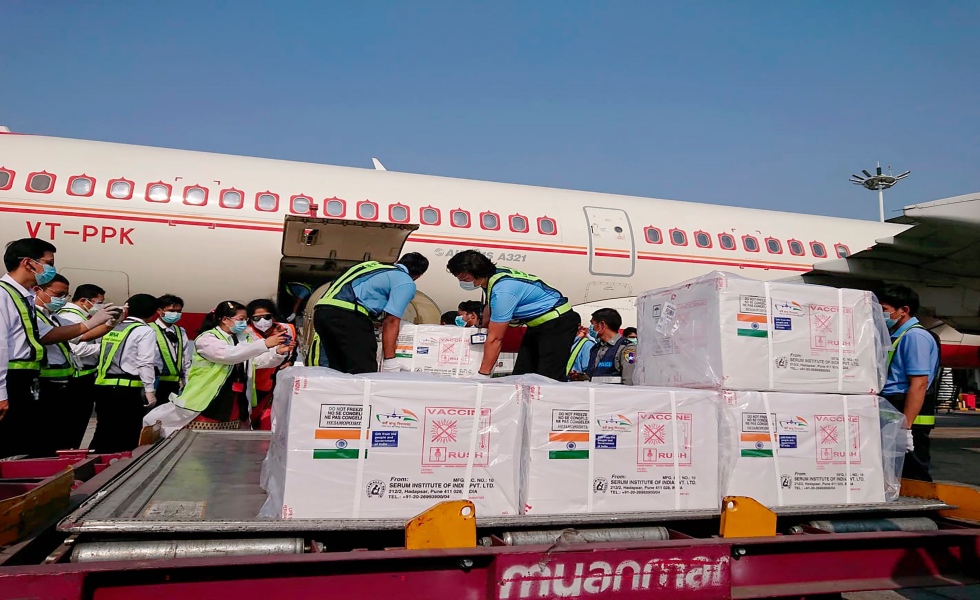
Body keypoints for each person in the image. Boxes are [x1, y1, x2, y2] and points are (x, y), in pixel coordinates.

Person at [0, 239, 120, 458]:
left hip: (26, 379)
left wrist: (94, 323)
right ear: (28, 263)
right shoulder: (3, 295)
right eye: (49, 262)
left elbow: (46, 334)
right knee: (10, 445)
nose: (51, 269)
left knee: (26, 445)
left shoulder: (22, 297)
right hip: (11, 378)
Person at [447, 250, 577, 381]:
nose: (462, 282)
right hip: (537, 324)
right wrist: (479, 327)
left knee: (547, 378)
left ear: (479, 273)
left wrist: (482, 375)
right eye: (459, 278)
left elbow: (495, 338)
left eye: (465, 279)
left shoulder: (503, 291)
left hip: (557, 323)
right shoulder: (491, 277)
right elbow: (489, 306)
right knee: (522, 376)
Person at [173, 301, 290, 430]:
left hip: (236, 399)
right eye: (240, 319)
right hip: (210, 398)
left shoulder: (243, 338)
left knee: (230, 440)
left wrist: (277, 353)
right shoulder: (207, 339)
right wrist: (264, 344)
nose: (244, 323)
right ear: (225, 319)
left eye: (246, 319)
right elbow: (230, 356)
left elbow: (256, 360)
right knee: (205, 440)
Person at [312, 253, 429, 374]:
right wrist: (390, 360)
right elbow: (391, 321)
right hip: (347, 315)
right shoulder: (405, 281)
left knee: (338, 369)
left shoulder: (370, 266)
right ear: (419, 276)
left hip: (322, 312)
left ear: (398, 261)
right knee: (364, 370)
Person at [878, 284, 941, 482]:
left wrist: (906, 427)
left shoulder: (915, 337)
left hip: (909, 412)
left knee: (914, 471)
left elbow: (919, 384)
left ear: (904, 310)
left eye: (884, 311)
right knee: (896, 471)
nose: (881, 316)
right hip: (895, 408)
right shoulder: (896, 336)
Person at [91, 293, 163, 453]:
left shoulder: (112, 327)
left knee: (103, 430)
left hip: (102, 386)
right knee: (126, 434)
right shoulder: (145, 331)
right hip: (127, 390)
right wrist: (150, 390)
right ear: (153, 314)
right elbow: (145, 362)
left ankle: (94, 465)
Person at [57, 283, 112, 448]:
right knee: (73, 423)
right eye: (99, 303)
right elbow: (78, 349)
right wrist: (106, 349)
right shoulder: (71, 318)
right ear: (83, 300)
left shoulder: (78, 316)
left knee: (76, 424)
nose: (100, 307)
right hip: (78, 378)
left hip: (83, 376)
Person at [246, 299, 296, 430]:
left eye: (267, 317)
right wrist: (277, 352)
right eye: (256, 318)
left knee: (270, 422)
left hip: (278, 383)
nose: (262, 321)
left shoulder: (287, 329)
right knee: (251, 419)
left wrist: (290, 361)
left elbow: (294, 349)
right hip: (256, 385)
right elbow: (253, 361)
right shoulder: (246, 334)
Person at [151, 294, 192, 408]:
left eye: (179, 311)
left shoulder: (180, 331)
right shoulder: (149, 329)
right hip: (156, 383)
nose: (176, 314)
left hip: (174, 383)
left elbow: (185, 360)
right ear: (159, 311)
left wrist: (187, 383)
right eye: (171, 310)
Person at [586, 308, 636, 385]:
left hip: (615, 395)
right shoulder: (595, 348)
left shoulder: (627, 349)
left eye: (593, 324)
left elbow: (629, 381)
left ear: (602, 325)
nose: (591, 328)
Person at [566, 310, 596, 382]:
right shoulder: (561, 344)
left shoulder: (587, 345)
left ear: (579, 326)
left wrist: (579, 376)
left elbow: (588, 375)